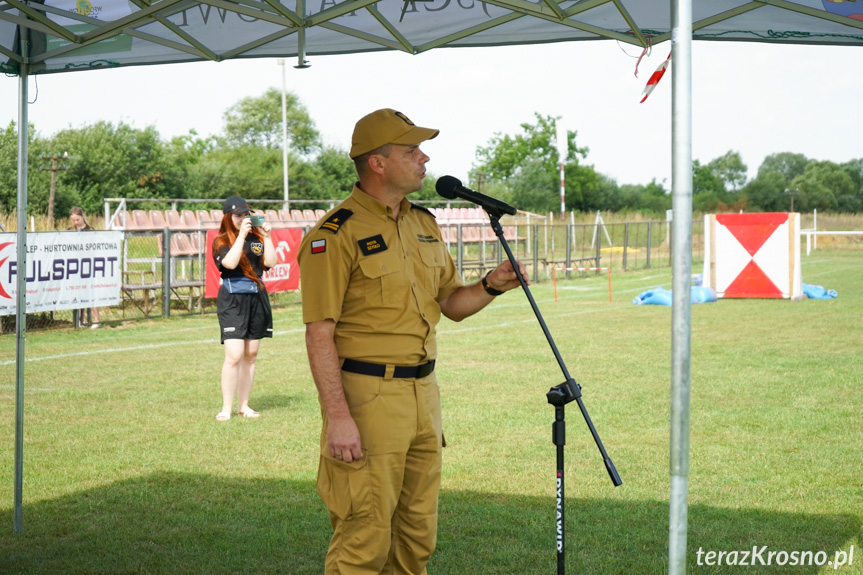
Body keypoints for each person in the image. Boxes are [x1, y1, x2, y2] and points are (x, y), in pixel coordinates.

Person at [298, 108, 528, 574]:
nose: (425, 158)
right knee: (363, 537)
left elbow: (450, 304)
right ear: (378, 164)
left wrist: (492, 285)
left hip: (424, 395)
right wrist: (338, 417)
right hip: (368, 398)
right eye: (411, 150)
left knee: (416, 536)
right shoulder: (334, 234)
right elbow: (318, 333)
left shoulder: (423, 224)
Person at [212, 196, 276, 422]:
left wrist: (267, 237)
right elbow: (228, 264)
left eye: (246, 214)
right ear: (228, 217)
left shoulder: (257, 238)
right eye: (238, 215)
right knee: (234, 355)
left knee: (251, 354)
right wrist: (240, 236)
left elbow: (270, 263)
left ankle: (244, 406)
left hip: (257, 298)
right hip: (232, 300)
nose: (243, 219)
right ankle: (226, 408)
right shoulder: (220, 240)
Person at [67, 207, 101, 329]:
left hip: (88, 267)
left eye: (77, 219)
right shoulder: (70, 231)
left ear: (82, 216)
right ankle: (81, 320)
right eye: (73, 220)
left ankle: (96, 320)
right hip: (75, 267)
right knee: (77, 293)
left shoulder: (91, 230)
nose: (76, 223)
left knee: (91, 293)